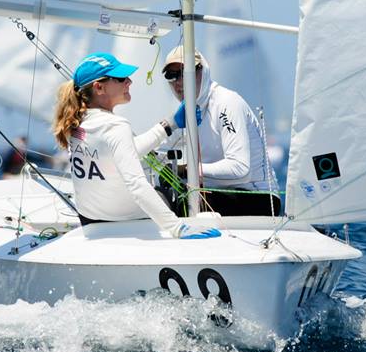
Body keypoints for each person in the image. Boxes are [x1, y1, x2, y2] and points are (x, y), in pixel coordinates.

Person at [52, 52, 220, 239]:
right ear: (99, 87)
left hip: (90, 221)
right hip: (128, 221)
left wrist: (170, 123)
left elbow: (126, 151)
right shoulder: (115, 126)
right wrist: (177, 227)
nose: (129, 82)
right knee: (170, 193)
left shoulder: (75, 122)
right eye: (121, 78)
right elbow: (137, 185)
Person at [161, 46, 281, 216]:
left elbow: (240, 168)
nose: (179, 82)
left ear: (203, 70)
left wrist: (187, 170)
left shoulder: (226, 102)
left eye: (185, 72)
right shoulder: (184, 113)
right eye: (171, 76)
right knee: (161, 197)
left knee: (186, 202)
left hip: (260, 198)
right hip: (216, 195)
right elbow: (159, 151)